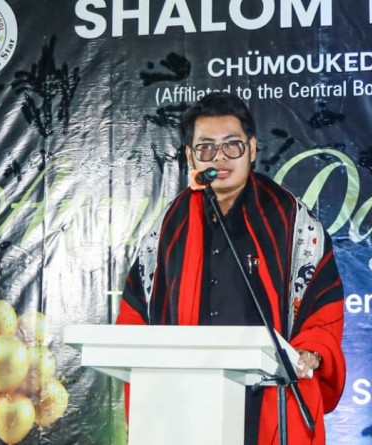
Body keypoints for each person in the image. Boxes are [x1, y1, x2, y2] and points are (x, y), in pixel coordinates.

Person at [116, 92, 345, 445]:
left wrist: (310, 351)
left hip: (267, 396)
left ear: (252, 149)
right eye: (206, 147)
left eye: (232, 145)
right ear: (190, 156)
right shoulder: (169, 228)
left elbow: (322, 305)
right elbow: (136, 308)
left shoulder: (291, 221)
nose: (220, 157)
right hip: (187, 397)